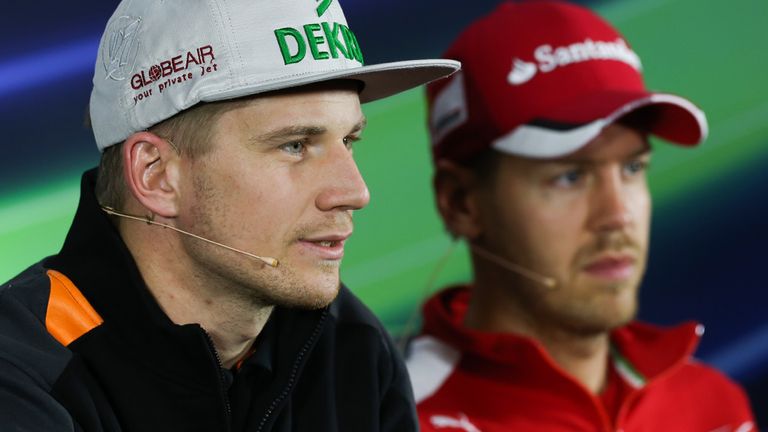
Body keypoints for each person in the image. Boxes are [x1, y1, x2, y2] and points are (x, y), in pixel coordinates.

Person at [0, 0, 458, 430]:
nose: (355, 192)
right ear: (157, 175)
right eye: (294, 145)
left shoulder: (351, 346)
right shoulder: (19, 374)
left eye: (348, 140)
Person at [406, 1, 756, 431]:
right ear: (460, 202)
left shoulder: (714, 407)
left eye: (632, 169)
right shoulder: (396, 417)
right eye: (569, 176)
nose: (617, 215)